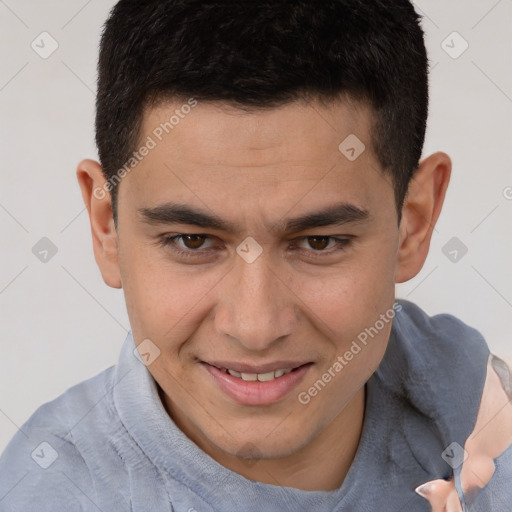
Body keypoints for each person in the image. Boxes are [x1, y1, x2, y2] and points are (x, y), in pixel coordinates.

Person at [0, 1, 511, 510]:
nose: (255, 327)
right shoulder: (46, 494)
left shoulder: (483, 414)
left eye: (318, 242)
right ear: (107, 226)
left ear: (413, 224)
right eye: (192, 241)